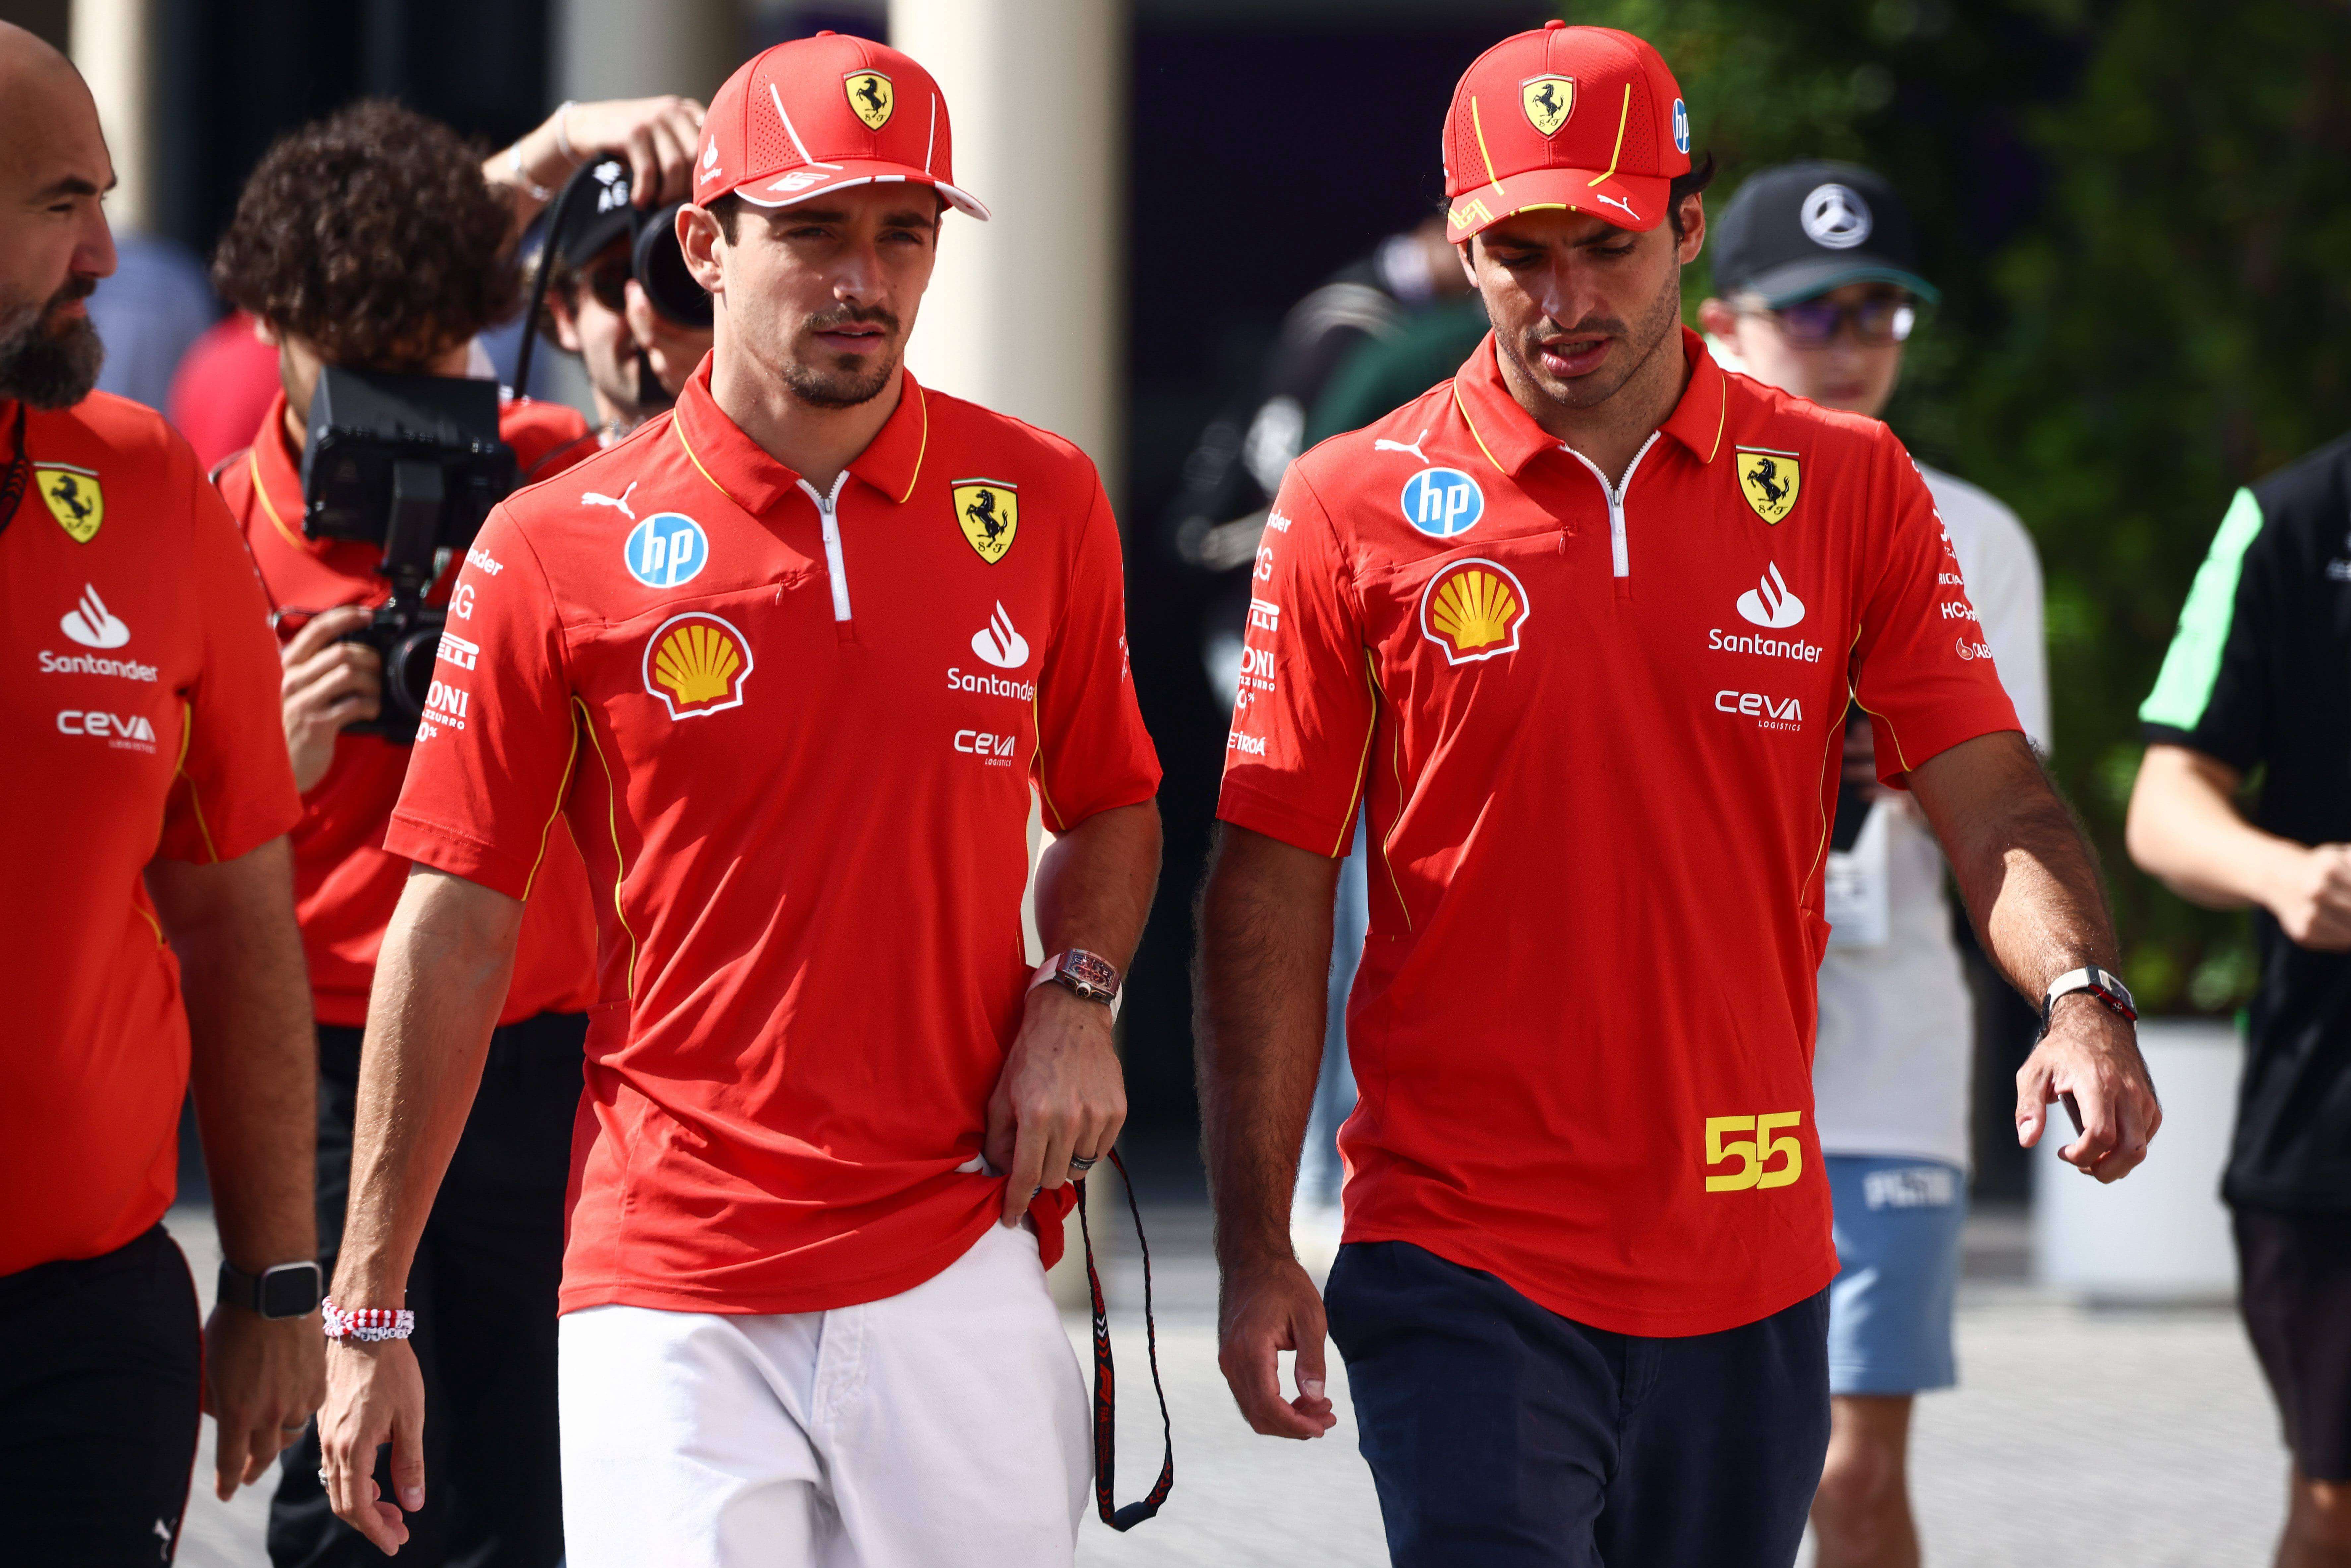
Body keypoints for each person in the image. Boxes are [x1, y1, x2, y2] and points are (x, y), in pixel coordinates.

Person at [1195, 22, 2161, 1568]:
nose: (1566, 294)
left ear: (1686, 227)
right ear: (1460, 245)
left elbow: (1992, 790)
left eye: (1607, 240)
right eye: (1519, 249)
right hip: (1457, 1250)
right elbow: (1269, 877)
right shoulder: (1346, 501)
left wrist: (2082, 993)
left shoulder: (1850, 486)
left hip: (1752, 1258)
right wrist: (1254, 1246)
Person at [313, 34, 1163, 1568]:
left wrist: (1078, 991)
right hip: (668, 1271)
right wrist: (368, 1304)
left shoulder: (1039, 496)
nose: (865, 275)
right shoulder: (552, 542)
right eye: (815, 228)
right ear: (706, 245)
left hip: (957, 1246)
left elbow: (1111, 803)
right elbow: (448, 925)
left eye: (903, 230)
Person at [203, 95, 696, 1568]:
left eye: (440, 352)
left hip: (546, 1042)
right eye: (374, 363)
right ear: (286, 334)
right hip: (330, 1065)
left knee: (546, 1473)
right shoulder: (217, 524)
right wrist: (264, 767)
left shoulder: (547, 469)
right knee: (349, 1486)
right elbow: (148, 870)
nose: (414, 391)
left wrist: (549, 163)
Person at [1695, 161, 2051, 1568]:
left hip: (1886, 1059)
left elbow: (2004, 797)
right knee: (1705, 1471)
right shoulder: (1650, 502)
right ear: (1720, 322)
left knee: (1849, 1472)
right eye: (1811, 313)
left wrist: (1886, 767)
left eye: (1880, 314)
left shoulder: (1975, 532)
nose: (1850, 345)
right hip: (1695, 1057)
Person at [0, 24, 324, 1563]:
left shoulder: (150, 490)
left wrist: (274, 1278)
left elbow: (236, 920)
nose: (106, 254)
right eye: (64, 201)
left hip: (83, 1328)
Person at [2129, 439, 2351, 1568]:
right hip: (2325, 1131)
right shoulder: (2293, 520)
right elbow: (2163, 805)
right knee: (2335, 1509)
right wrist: (2283, 874)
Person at [531, 154, 715, 453]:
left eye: (679, 275)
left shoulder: (804, 460)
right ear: (564, 313)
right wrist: (562, 138)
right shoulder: (532, 471)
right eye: (614, 282)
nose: (644, 307)